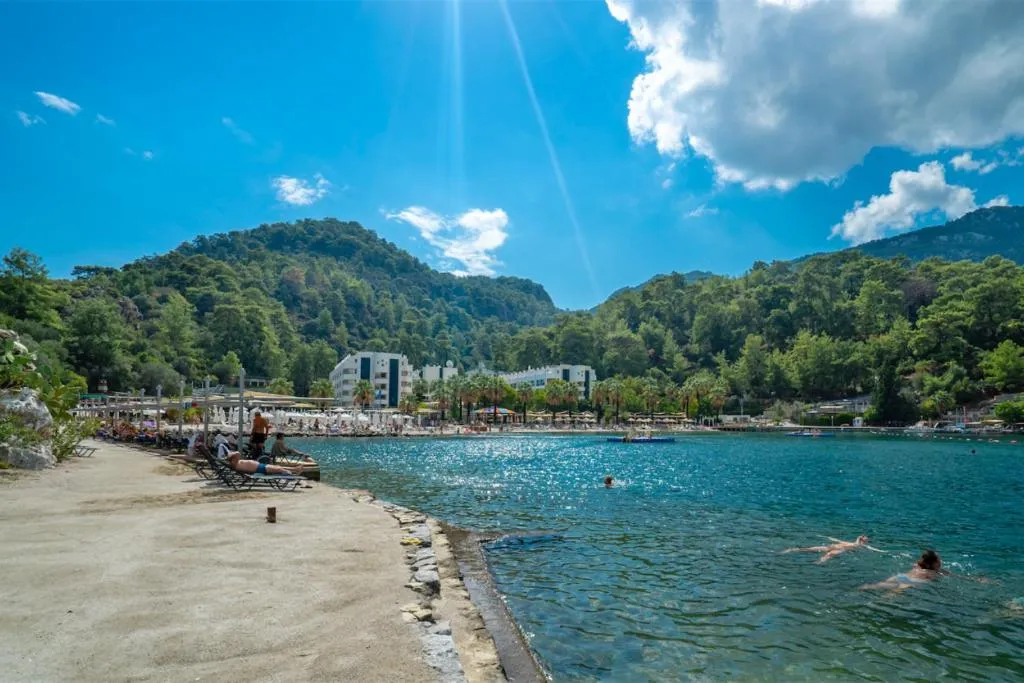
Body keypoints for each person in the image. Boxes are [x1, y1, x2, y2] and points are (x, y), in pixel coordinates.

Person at [861, 549, 946, 591]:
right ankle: (874, 604)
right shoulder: (935, 572)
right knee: (889, 596)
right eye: (938, 560)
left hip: (900, 576)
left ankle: (856, 591)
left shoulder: (917, 566)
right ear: (933, 563)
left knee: (874, 586)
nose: (940, 562)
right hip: (910, 581)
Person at [783, 535, 876, 563]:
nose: (865, 541)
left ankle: (817, 563)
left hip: (841, 549)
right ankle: (792, 550)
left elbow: (872, 548)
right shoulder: (851, 542)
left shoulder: (861, 545)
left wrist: (882, 551)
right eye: (864, 539)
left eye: (865, 540)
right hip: (832, 546)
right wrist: (830, 538)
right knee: (810, 549)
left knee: (829, 555)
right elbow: (838, 540)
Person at [224, 451, 303, 476]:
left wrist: (229, 457)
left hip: (260, 466)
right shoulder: (235, 464)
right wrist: (229, 456)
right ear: (232, 459)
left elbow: (236, 454)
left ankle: (295, 469)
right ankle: (294, 471)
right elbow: (237, 453)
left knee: (278, 467)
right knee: (279, 469)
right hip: (259, 469)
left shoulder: (236, 463)